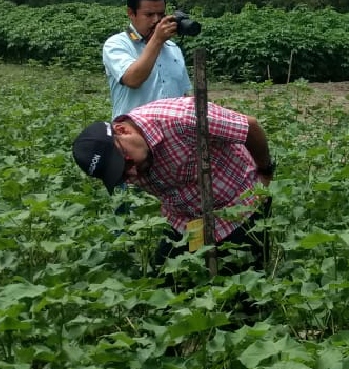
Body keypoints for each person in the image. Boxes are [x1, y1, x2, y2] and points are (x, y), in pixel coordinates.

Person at [71, 96, 277, 273]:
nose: (131, 174)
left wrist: (265, 172)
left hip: (239, 208)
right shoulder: (133, 158)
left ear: (123, 130)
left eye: (127, 163)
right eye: (121, 175)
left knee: (244, 289)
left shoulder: (183, 119)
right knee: (166, 282)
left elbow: (250, 127)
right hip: (186, 221)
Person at [102, 0, 192, 119]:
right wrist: (157, 40)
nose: (156, 20)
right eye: (149, 15)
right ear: (131, 13)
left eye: (161, 14)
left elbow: (183, 94)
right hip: (134, 130)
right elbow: (133, 80)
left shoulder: (173, 48)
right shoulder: (116, 44)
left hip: (171, 129)